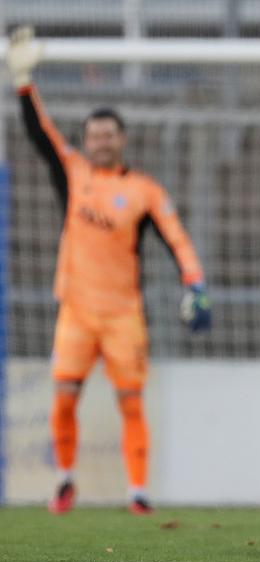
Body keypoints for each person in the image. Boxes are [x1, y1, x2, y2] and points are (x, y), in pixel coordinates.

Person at [6, 26, 212, 515]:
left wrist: (195, 281)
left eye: (108, 134)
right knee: (63, 398)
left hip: (123, 313)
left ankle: (137, 493)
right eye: (94, 135)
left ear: (121, 139)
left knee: (131, 403)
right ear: (86, 141)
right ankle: (64, 482)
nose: (100, 141)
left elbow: (176, 237)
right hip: (75, 310)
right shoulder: (73, 174)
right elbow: (41, 133)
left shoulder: (144, 191)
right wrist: (23, 82)